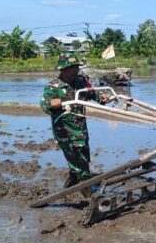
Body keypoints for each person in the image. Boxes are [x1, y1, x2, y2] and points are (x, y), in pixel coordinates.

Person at [40, 53, 109, 192]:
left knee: (84, 156)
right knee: (79, 162)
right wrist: (52, 103)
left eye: (77, 67)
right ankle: (89, 194)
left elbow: (93, 93)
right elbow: (43, 103)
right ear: (63, 70)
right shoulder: (53, 87)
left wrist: (103, 97)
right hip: (65, 130)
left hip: (81, 129)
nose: (76, 70)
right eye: (73, 67)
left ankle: (71, 181)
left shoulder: (81, 81)